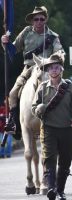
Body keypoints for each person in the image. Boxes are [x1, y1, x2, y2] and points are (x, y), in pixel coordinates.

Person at [1, 6, 64, 136]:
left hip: (47, 68)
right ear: (32, 21)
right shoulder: (26, 32)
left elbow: (59, 50)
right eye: (36, 19)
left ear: (45, 20)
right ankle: (14, 122)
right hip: (29, 68)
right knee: (13, 93)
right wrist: (5, 43)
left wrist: (59, 55)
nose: (39, 21)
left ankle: (67, 119)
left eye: (42, 19)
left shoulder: (53, 36)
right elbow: (14, 48)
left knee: (65, 90)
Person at [32, 51, 72, 200]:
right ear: (47, 71)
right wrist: (38, 110)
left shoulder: (69, 87)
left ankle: (60, 190)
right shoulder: (42, 87)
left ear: (61, 69)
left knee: (65, 161)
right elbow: (33, 107)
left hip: (68, 129)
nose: (54, 70)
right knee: (49, 159)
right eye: (51, 68)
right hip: (49, 129)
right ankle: (52, 188)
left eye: (56, 67)